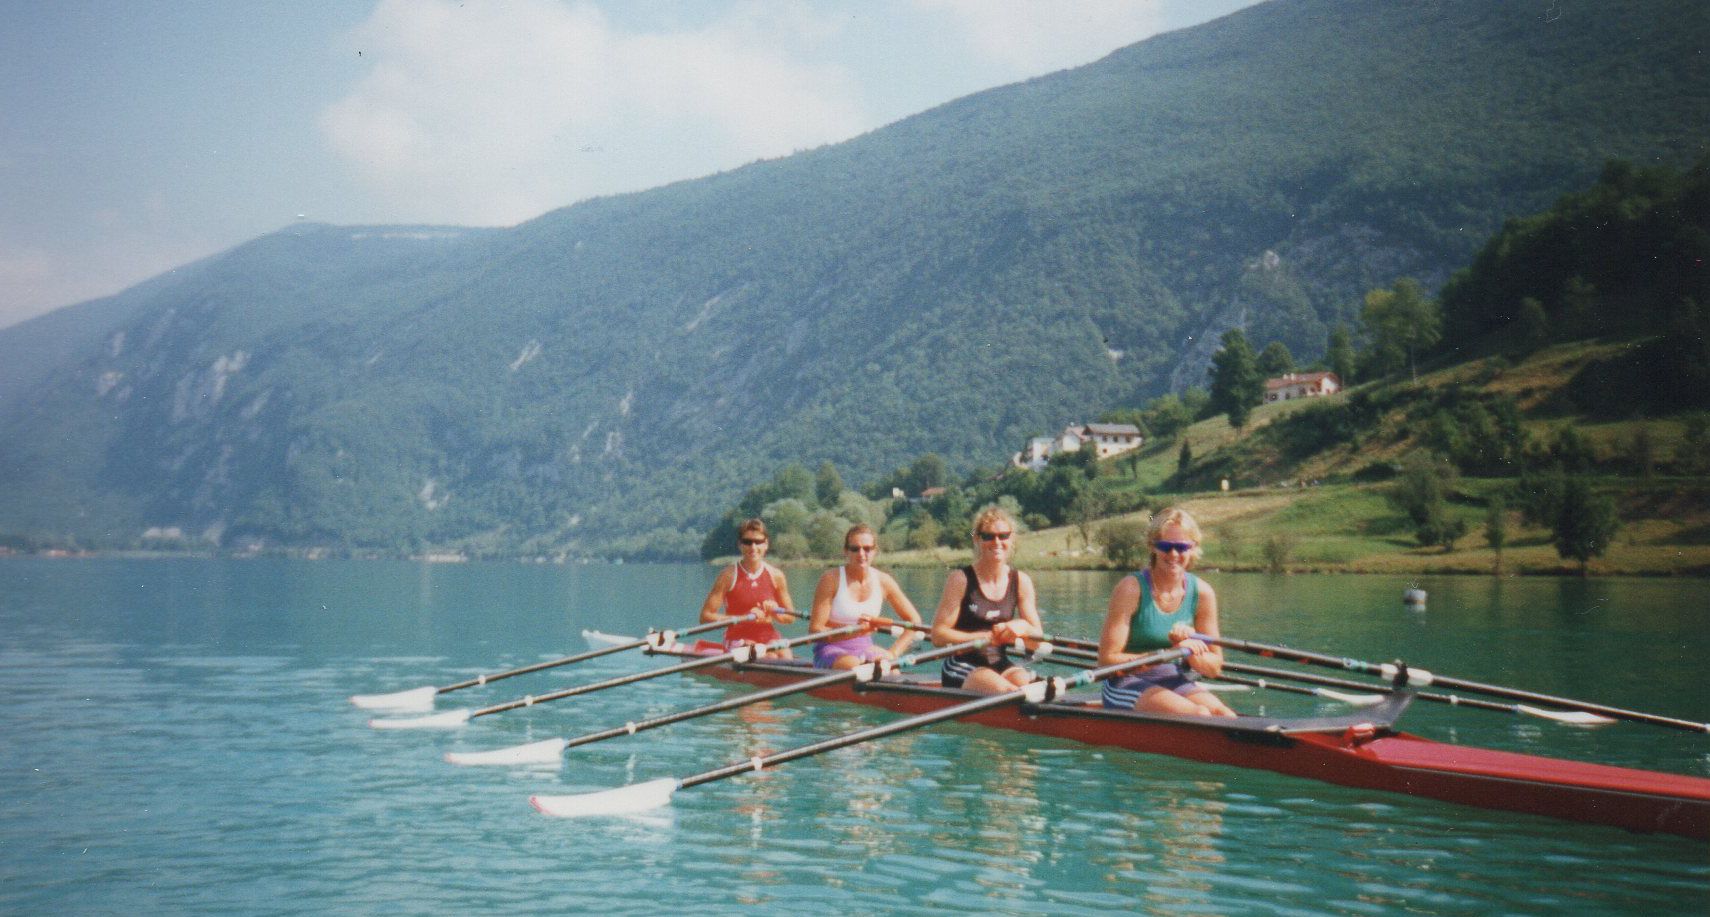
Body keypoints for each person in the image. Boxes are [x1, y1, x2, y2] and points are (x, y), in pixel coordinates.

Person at [1097, 507, 1235, 717]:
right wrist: (1162, 655)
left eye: (1181, 547)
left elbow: (1214, 668)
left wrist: (1185, 649)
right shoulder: (1130, 588)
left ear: (1193, 548)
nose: (1174, 554)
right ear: (1153, 547)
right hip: (1123, 681)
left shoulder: (1203, 593)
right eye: (1165, 546)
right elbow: (1106, 660)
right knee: (1199, 714)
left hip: (1171, 676)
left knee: (1224, 714)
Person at [930, 507, 1042, 693]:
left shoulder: (1021, 581)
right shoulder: (960, 579)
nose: (996, 542)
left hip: (1000, 661)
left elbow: (1037, 642)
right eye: (988, 536)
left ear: (1011, 539)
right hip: (961, 663)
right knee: (1010, 693)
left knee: (1033, 687)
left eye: (1003, 536)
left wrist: (1023, 628)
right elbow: (938, 635)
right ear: (977, 539)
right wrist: (980, 637)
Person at [809, 524, 922, 669]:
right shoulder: (831, 579)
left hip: (865, 648)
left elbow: (914, 621)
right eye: (855, 549)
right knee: (856, 666)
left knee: (891, 670)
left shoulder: (884, 581)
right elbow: (815, 629)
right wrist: (857, 631)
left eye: (867, 548)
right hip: (830, 649)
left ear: (875, 551)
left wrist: (893, 653)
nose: (861, 554)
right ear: (846, 551)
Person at [698, 518, 797, 658]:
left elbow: (790, 617)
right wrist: (744, 618)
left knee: (785, 654)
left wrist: (775, 612)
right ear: (740, 544)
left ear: (766, 544)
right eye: (747, 542)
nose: (753, 547)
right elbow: (705, 616)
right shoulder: (728, 575)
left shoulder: (776, 575)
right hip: (736, 637)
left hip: (768, 635)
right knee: (769, 656)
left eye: (758, 542)